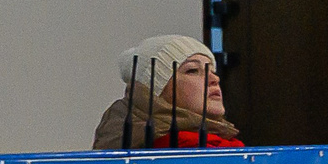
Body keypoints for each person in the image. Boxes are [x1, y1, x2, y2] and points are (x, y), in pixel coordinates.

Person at [92, 36, 244, 151]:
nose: (214, 79)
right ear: (153, 93)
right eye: (193, 70)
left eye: (212, 71)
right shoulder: (177, 152)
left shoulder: (224, 146)